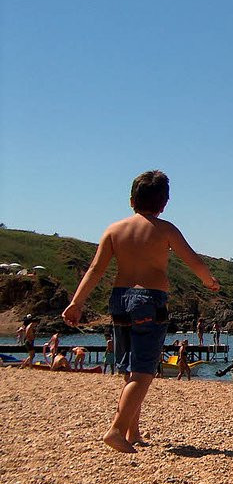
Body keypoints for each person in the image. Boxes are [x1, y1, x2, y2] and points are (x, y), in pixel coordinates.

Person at [61, 170, 220, 454]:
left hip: (119, 300)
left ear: (132, 199)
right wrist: (208, 281)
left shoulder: (114, 230)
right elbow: (192, 260)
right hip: (149, 300)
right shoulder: (165, 229)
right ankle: (116, 429)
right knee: (144, 370)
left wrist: (76, 302)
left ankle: (133, 431)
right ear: (164, 203)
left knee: (129, 367)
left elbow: (96, 270)